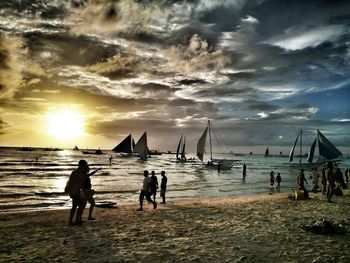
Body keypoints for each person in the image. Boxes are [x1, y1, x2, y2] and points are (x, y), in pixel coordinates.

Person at [65, 160, 90, 225]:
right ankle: (73, 220)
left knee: (76, 205)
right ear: (81, 165)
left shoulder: (80, 173)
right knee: (78, 205)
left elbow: (80, 184)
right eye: (84, 165)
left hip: (77, 191)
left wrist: (83, 190)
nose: (85, 167)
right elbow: (71, 182)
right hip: (74, 192)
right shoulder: (75, 173)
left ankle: (75, 219)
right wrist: (69, 190)